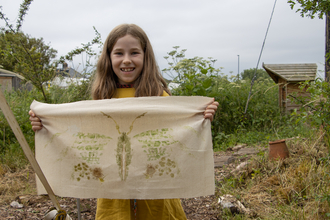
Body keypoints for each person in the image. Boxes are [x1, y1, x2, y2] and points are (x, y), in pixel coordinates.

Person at [29, 23, 219, 220]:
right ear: (109, 57)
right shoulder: (102, 99)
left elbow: (177, 135)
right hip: (113, 194)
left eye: (134, 52)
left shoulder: (159, 96)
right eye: (119, 53)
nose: (127, 60)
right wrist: (46, 127)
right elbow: (77, 135)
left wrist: (201, 117)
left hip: (155, 192)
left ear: (146, 56)